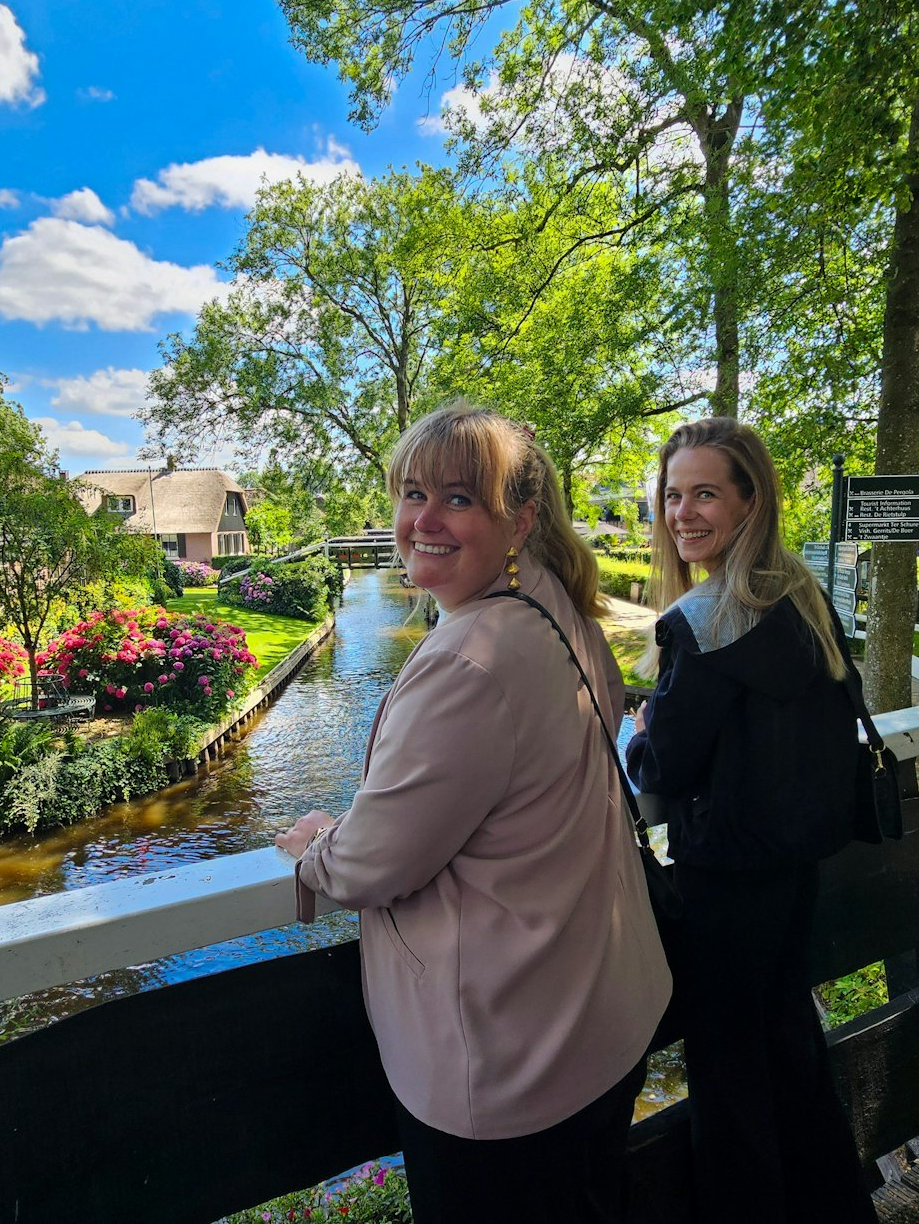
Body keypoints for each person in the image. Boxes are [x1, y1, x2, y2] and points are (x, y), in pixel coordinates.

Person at [276, 402, 671, 1224]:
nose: (422, 519)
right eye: (412, 492)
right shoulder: (562, 618)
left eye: (459, 499)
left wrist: (317, 843)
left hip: (507, 1064)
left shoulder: (467, 662)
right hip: (600, 1018)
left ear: (521, 519)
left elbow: (372, 863)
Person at [625, 417, 876, 1224]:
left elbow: (662, 767)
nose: (682, 513)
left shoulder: (700, 623)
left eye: (705, 493)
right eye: (672, 494)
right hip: (796, 871)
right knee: (791, 1059)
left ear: (750, 500)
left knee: (730, 1082)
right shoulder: (803, 598)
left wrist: (637, 734)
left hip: (724, 884)